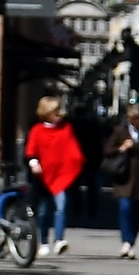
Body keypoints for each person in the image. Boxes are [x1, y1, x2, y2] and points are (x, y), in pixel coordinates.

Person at [25, 96, 83, 256]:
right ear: (47, 112)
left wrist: (77, 160)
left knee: (61, 207)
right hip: (43, 177)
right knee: (43, 211)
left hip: (60, 176)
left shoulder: (66, 128)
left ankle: (59, 240)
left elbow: (72, 149)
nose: (59, 114)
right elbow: (31, 151)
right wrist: (34, 163)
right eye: (56, 111)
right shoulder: (37, 130)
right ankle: (43, 242)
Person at [104, 104, 139, 259]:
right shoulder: (120, 131)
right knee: (125, 208)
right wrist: (122, 147)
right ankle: (126, 242)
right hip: (124, 175)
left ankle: (131, 242)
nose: (137, 122)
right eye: (134, 119)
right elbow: (107, 150)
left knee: (138, 212)